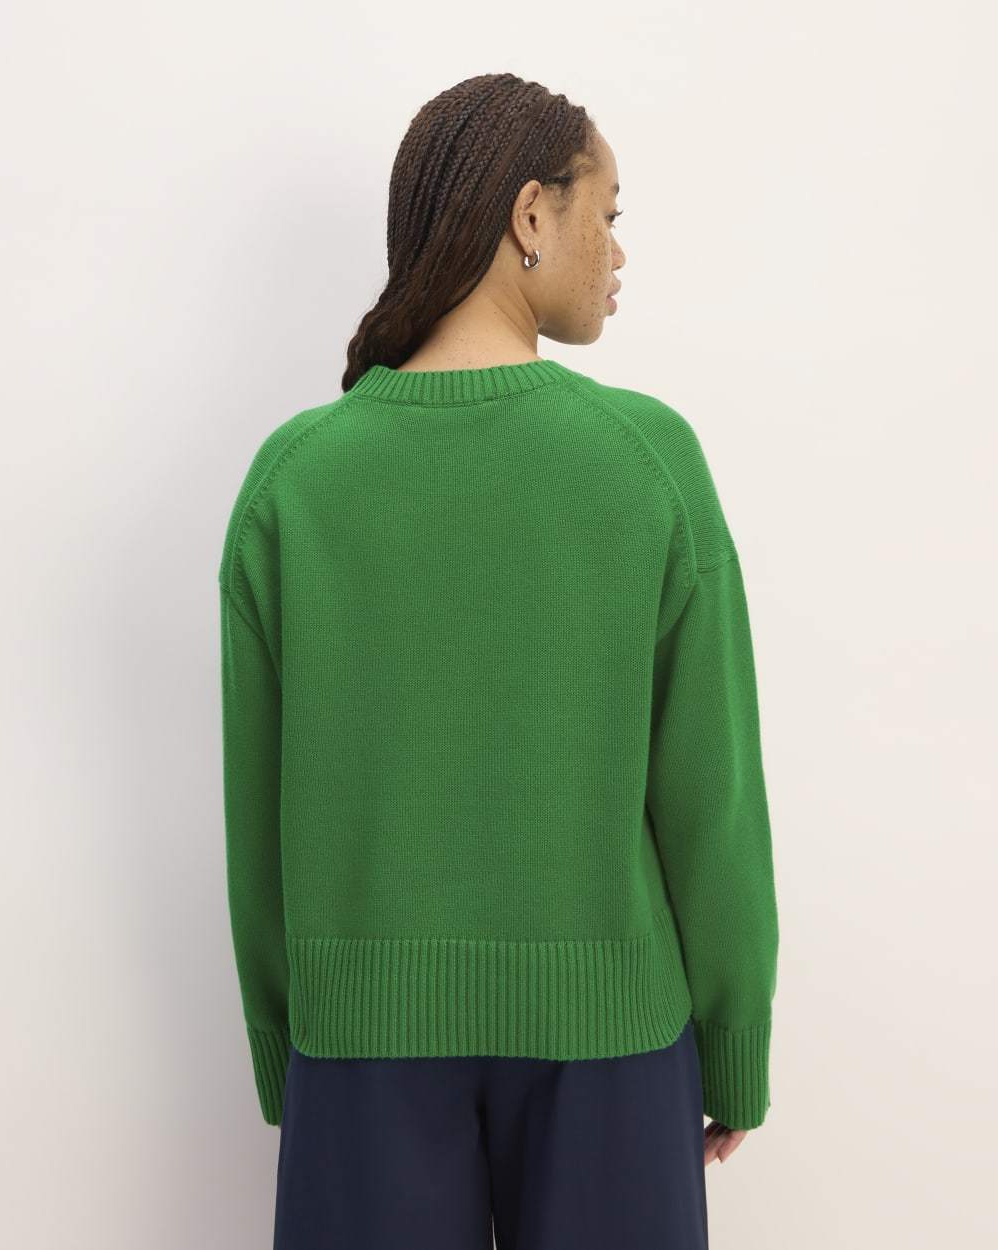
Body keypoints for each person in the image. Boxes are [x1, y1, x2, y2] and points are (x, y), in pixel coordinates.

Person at [218, 71, 779, 1250]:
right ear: (532, 213)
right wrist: (735, 1039)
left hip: (359, 1046)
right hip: (613, 1045)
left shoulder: (295, 480)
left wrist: (289, 1052)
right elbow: (711, 798)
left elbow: (257, 817)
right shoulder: (644, 459)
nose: (618, 251)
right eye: (607, 214)